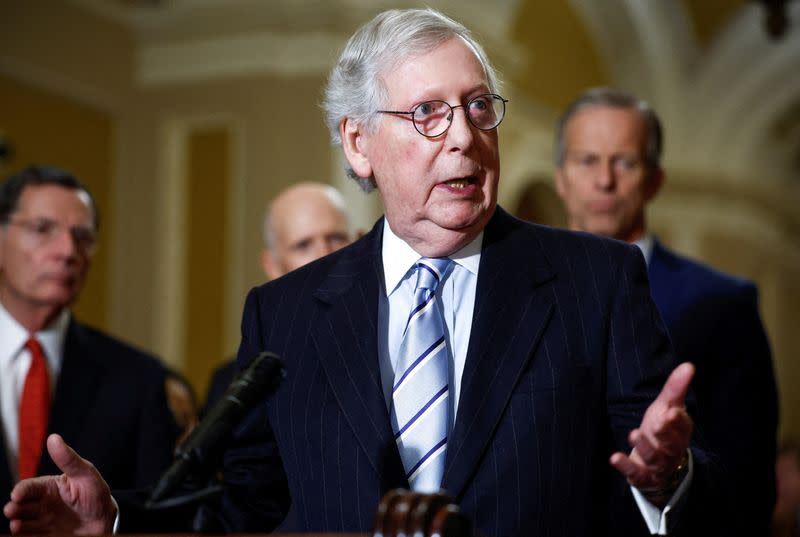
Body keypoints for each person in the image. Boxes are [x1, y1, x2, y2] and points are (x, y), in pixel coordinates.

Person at [5, 10, 720, 537]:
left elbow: (682, 488)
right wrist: (120, 523)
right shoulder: (284, 312)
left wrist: (669, 475)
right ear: (359, 143)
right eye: (429, 114)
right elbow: (249, 510)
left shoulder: (597, 281)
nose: (465, 137)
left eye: (478, 107)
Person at [553, 87, 779, 535]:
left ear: (654, 179)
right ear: (560, 177)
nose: (604, 181)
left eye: (625, 162)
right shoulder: (512, 286)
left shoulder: (722, 302)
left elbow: (749, 484)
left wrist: (672, 476)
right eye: (587, 161)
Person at [0, 165, 177, 530]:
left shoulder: (139, 379)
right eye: (42, 229)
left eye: (82, 236)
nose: (67, 251)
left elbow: (163, 511)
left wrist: (110, 520)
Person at [202, 182, 352, 415]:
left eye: (336, 237)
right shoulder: (232, 386)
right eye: (303, 245)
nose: (324, 255)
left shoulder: (396, 343)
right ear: (271, 265)